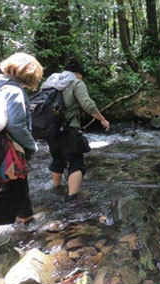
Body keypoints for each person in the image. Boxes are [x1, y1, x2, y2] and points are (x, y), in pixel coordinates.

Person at [0, 53, 44, 241]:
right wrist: (31, 146)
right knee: (7, 190)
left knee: (18, 182)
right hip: (6, 148)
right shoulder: (14, 91)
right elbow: (16, 125)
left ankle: (25, 217)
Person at [41, 60, 110, 201]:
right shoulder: (76, 82)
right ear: (78, 73)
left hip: (49, 129)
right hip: (68, 128)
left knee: (57, 159)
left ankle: (56, 190)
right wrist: (102, 119)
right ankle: (72, 200)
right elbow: (87, 104)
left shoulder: (49, 81)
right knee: (76, 162)